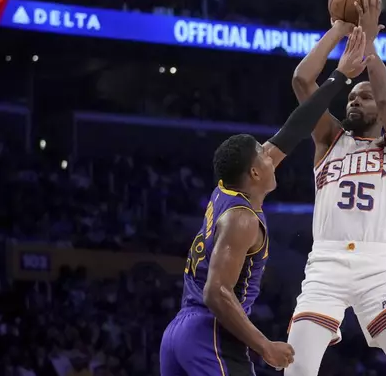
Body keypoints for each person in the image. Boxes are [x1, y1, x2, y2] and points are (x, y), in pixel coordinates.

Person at [159, 27, 374, 376]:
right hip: (209, 334)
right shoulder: (242, 218)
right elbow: (217, 292)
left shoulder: (228, 189)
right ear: (255, 173)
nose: (270, 153)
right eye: (262, 153)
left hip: (179, 332)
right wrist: (264, 346)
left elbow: (295, 127)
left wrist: (338, 66)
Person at [286, 0, 386, 376]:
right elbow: (302, 79)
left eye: (361, 97)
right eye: (350, 96)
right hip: (325, 265)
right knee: (297, 371)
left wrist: (369, 47)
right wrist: (338, 29)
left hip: (377, 266)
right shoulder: (328, 139)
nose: (355, 101)